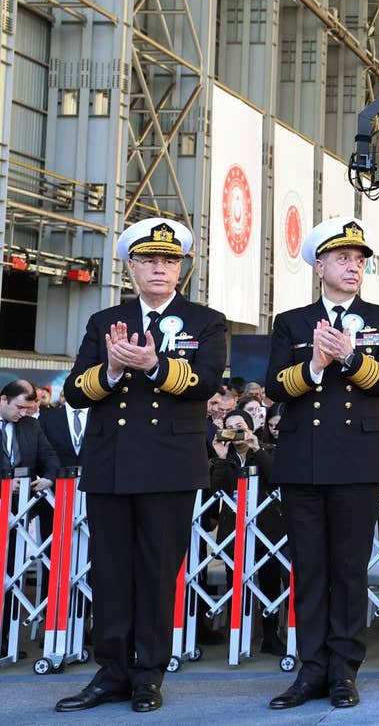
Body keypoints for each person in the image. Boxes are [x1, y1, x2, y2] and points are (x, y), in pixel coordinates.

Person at [55, 217, 228, 714]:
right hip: (111, 461)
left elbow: (204, 383)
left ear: (182, 269)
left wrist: (152, 366)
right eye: (149, 259)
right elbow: (74, 392)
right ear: (131, 266)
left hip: (170, 463)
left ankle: (148, 674)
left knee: (156, 572)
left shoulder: (205, 321)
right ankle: (111, 672)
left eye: (169, 260)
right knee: (109, 572)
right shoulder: (104, 319)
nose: (159, 268)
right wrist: (111, 369)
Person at [265, 217, 379, 711]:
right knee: (310, 568)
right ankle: (311, 668)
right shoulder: (292, 322)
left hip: (358, 461)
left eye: (360, 260)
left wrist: (347, 357)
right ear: (319, 265)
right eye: (343, 258)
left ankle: (344, 669)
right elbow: (277, 386)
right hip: (304, 460)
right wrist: (315, 367)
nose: (353, 266)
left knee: (349, 569)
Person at [208, 408, 285, 655]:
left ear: (251, 428)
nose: (236, 432)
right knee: (235, 584)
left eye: (240, 426)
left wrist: (256, 449)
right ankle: (236, 636)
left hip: (267, 531)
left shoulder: (268, 451)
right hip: (234, 531)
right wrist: (220, 457)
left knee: (270, 584)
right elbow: (214, 491)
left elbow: (276, 477)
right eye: (230, 427)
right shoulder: (222, 458)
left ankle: (270, 636)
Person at [0, 379, 58, 491]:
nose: (23, 413)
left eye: (26, 408)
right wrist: (4, 484)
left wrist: (49, 478)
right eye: (20, 407)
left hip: (24, 503)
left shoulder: (31, 425)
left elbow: (48, 455)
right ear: (3, 400)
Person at [39, 395, 86, 472]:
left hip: (96, 477)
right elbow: (44, 452)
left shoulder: (101, 416)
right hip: (59, 478)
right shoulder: (47, 417)